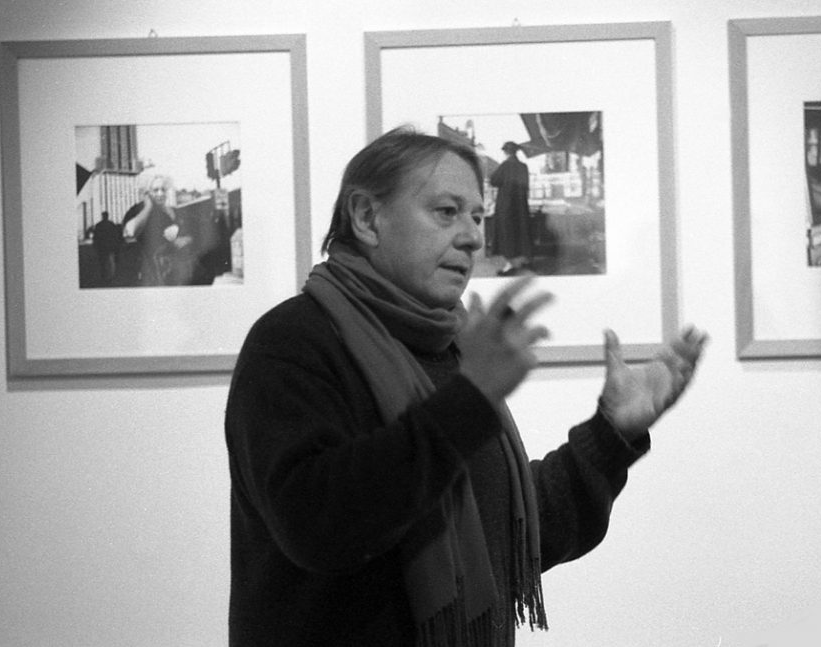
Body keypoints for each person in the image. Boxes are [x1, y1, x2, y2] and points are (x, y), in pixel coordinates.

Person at [225, 127, 707, 646]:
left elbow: (507, 530)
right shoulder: (293, 343)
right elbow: (321, 527)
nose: (474, 237)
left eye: (478, 216)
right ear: (366, 217)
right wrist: (468, 400)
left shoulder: (450, 344)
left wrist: (611, 433)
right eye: (446, 212)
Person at [122, 174, 197, 286]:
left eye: (163, 189)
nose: (160, 193)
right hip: (153, 275)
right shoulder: (139, 210)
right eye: (155, 190)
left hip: (178, 272)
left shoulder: (174, 211)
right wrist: (148, 207)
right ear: (147, 193)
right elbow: (129, 232)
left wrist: (186, 239)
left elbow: (193, 231)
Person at [490, 141, 532, 276]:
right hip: (521, 206)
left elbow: (493, 181)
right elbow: (526, 186)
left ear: (506, 152)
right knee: (521, 231)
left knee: (507, 233)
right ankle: (523, 260)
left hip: (506, 206)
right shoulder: (523, 167)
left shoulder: (505, 165)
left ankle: (510, 265)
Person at [91, 210, 123, 285]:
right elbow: (115, 235)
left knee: (102, 262)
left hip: (101, 246)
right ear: (107, 216)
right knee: (111, 261)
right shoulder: (111, 224)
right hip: (110, 246)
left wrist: (95, 245)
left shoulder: (98, 225)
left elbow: (95, 237)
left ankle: (103, 276)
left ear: (102, 216)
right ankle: (111, 276)